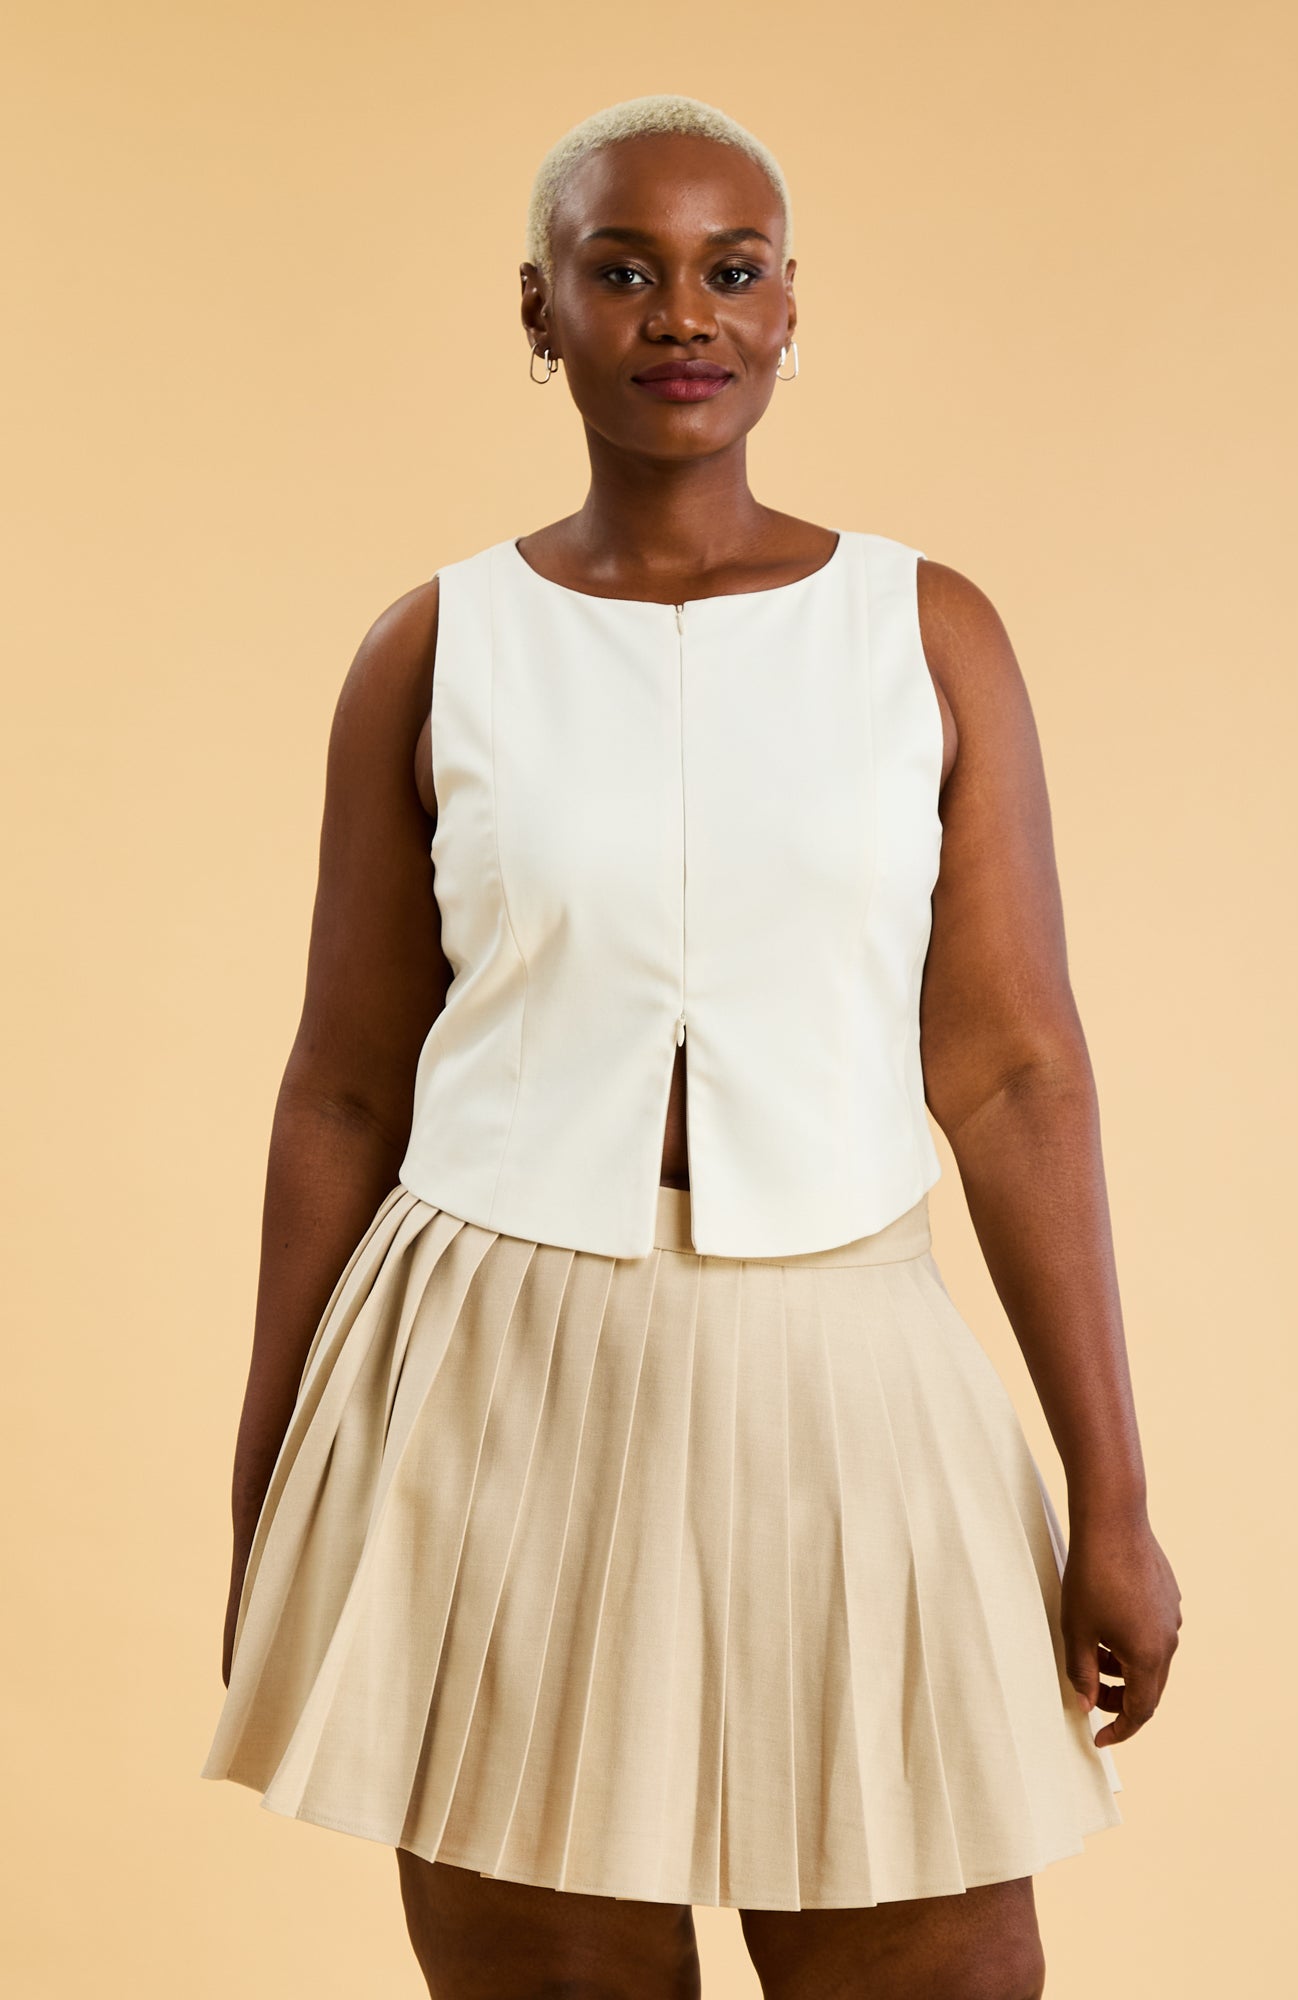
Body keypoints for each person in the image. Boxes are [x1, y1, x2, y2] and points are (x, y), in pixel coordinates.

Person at [200, 92, 1182, 2000]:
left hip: (846, 1372)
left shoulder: (926, 631)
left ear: (792, 308)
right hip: (493, 1371)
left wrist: (1113, 1503)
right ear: (539, 308)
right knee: (547, 1972)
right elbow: (340, 1082)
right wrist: (268, 1471)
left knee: (945, 1963)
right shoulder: (435, 648)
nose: (683, 315)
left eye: (731, 271)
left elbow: (1009, 1075)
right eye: (624, 270)